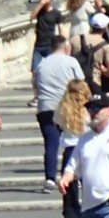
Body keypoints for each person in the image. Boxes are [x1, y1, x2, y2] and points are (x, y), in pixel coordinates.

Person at [34, 34, 83, 182]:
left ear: (51, 47)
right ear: (66, 46)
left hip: (46, 106)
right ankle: (72, 176)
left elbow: (36, 86)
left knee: (51, 143)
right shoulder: (71, 61)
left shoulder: (41, 64)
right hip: (67, 105)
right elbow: (81, 83)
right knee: (72, 142)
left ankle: (49, 178)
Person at [54, 79, 92, 218]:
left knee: (69, 200)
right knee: (88, 199)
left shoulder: (62, 110)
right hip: (87, 151)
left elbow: (57, 126)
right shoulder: (89, 111)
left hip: (69, 152)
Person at [28, 0, 64, 98]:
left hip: (50, 45)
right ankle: (36, 96)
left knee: (51, 70)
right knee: (35, 71)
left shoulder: (57, 13)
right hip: (38, 45)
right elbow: (31, 17)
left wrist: (61, 43)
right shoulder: (40, 12)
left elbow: (61, 28)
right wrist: (41, 4)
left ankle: (52, 93)